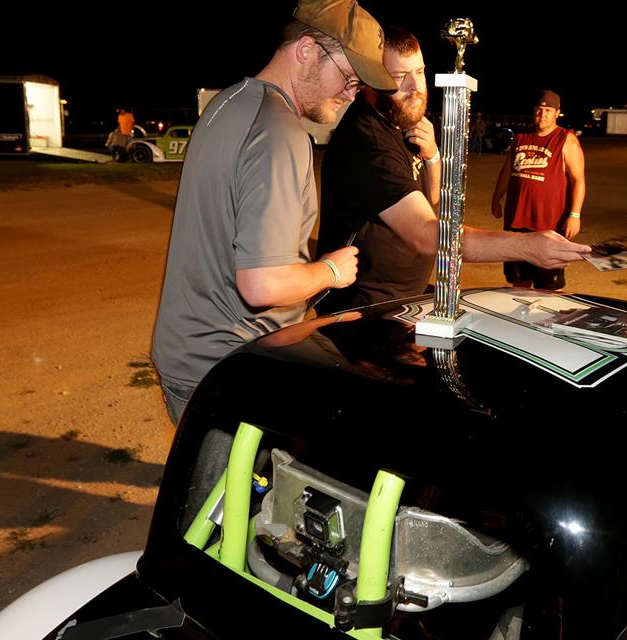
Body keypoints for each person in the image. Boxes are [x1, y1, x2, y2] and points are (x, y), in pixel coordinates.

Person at [150, 0, 397, 425]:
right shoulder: (280, 133)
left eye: (359, 86)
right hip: (228, 364)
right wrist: (332, 272)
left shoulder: (230, 102)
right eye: (349, 77)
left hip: (189, 352)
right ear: (305, 50)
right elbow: (263, 284)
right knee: (242, 490)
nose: (352, 93)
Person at [317, 29, 590, 312]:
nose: (416, 87)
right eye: (399, 77)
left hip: (404, 295)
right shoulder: (369, 144)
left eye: (420, 71)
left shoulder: (401, 124)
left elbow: (431, 200)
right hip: (364, 308)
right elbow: (425, 234)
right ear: (370, 82)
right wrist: (525, 246)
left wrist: (433, 155)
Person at [491, 90, 586, 290]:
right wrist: (496, 198)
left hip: (548, 225)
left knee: (548, 288)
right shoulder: (520, 139)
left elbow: (578, 179)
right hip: (516, 224)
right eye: (539, 109)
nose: (542, 114)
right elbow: (507, 170)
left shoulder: (565, 139)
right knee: (519, 284)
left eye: (548, 110)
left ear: (557, 113)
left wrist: (574, 215)